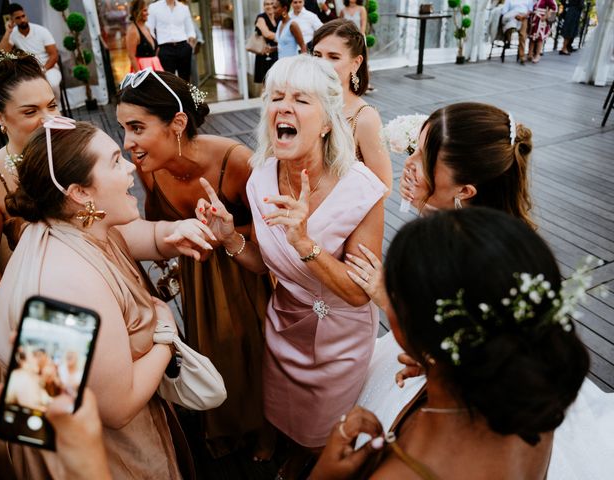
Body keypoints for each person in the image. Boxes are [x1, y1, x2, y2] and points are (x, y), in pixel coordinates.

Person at [0, 119, 216, 479]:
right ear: (80, 192)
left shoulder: (72, 222)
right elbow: (118, 408)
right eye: (116, 161)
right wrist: (166, 333)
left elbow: (137, 237)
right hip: (95, 453)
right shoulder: (64, 284)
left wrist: (172, 231)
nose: (131, 167)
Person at [196, 54, 386, 478]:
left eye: (300, 99)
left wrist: (305, 242)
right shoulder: (260, 177)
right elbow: (265, 265)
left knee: (322, 420)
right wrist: (230, 237)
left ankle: (307, 453)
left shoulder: (363, 192)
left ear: (325, 122)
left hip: (340, 335)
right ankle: (280, 435)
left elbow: (359, 293)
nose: (283, 107)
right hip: (284, 321)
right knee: (280, 397)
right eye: (275, 97)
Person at [311, 208, 590, 479]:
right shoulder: (533, 396)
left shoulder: (401, 474)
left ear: (415, 327)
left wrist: (323, 475)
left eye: (393, 291)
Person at [116, 69, 271, 458]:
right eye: (123, 129)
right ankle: (225, 427)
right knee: (212, 348)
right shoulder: (151, 172)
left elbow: (274, 234)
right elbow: (157, 228)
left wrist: (228, 232)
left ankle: (268, 431)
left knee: (254, 350)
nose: (127, 142)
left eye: (136, 127)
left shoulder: (235, 163)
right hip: (197, 275)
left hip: (247, 271)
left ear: (178, 123)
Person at [347, 102, 533, 312]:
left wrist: (386, 298)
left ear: (464, 191)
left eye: (425, 160)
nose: (409, 162)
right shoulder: (468, 222)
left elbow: (438, 338)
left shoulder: (473, 261)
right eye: (415, 148)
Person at [0, 49, 60, 393]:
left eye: (51, 105)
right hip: (37, 315)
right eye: (31, 111)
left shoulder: (71, 154)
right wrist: (17, 333)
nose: (48, 118)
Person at [312, 19, 392, 191]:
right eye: (317, 55)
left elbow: (383, 186)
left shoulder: (365, 118)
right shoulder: (304, 104)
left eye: (333, 57)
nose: (322, 64)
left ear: (356, 63)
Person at [0, 3, 62, 101]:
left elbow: (54, 55)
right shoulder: (13, 34)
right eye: (18, 18)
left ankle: (57, 108)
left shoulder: (41, 31)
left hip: (48, 68)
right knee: (18, 89)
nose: (22, 20)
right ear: (12, 20)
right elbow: (0, 53)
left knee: (51, 83)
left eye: (23, 16)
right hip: (29, 71)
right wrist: (7, 32)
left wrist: (42, 70)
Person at [147, 0, 197, 80]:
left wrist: (190, 44)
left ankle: (184, 93)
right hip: (164, 49)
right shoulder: (154, 7)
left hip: (183, 47)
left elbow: (190, 29)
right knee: (168, 80)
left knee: (185, 79)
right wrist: (156, 46)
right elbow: (149, 29)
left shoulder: (184, 8)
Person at [126, 0, 163, 72]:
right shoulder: (133, 31)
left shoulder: (146, 28)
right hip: (144, 71)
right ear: (137, 12)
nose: (148, 13)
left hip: (155, 68)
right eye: (145, 10)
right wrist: (140, 77)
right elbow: (132, 57)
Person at [254, 0, 279, 84]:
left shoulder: (278, 17)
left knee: (277, 81)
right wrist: (283, 38)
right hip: (265, 53)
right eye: (266, 4)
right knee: (266, 83)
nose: (269, 6)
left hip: (276, 51)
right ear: (263, 6)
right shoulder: (261, 17)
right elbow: (266, 34)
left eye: (272, 4)